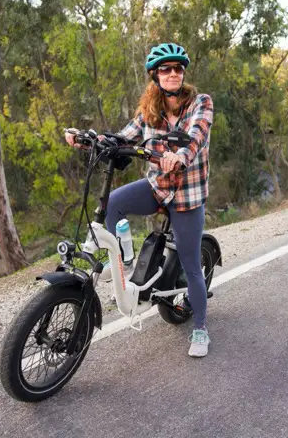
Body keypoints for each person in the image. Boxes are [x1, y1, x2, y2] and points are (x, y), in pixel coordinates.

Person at [65, 42, 214, 358]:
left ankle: (200, 327)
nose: (172, 73)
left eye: (177, 68)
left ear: (182, 73)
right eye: (165, 69)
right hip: (158, 187)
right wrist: (87, 139)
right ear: (156, 75)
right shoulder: (150, 110)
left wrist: (179, 156)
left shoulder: (201, 103)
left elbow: (197, 137)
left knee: (191, 264)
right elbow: (123, 136)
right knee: (115, 202)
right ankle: (123, 261)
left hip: (187, 197)